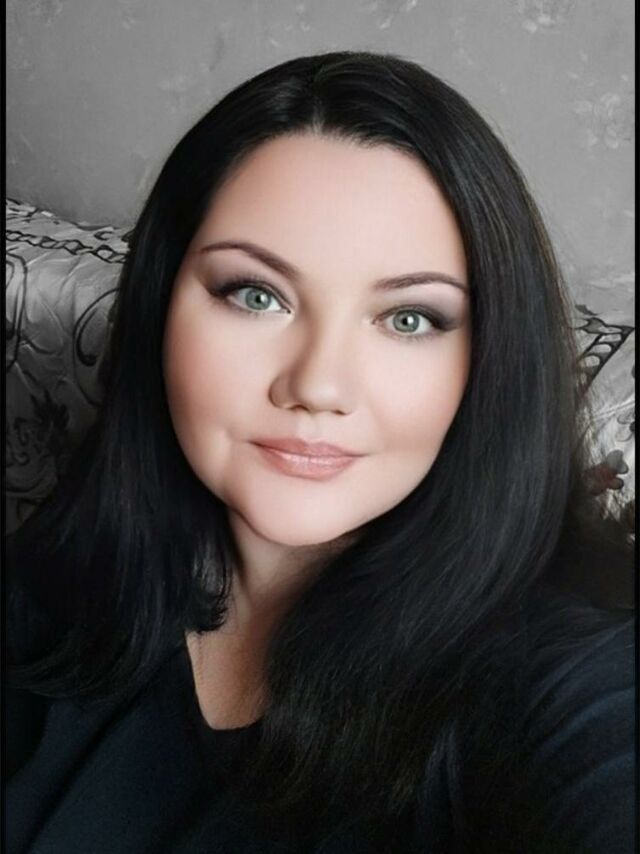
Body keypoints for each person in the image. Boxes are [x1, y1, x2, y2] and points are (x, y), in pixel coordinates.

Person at [5, 50, 635, 853]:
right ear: (161, 307)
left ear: (489, 361)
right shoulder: (58, 582)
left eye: (409, 319)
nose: (318, 385)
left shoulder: (570, 679)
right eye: (256, 295)